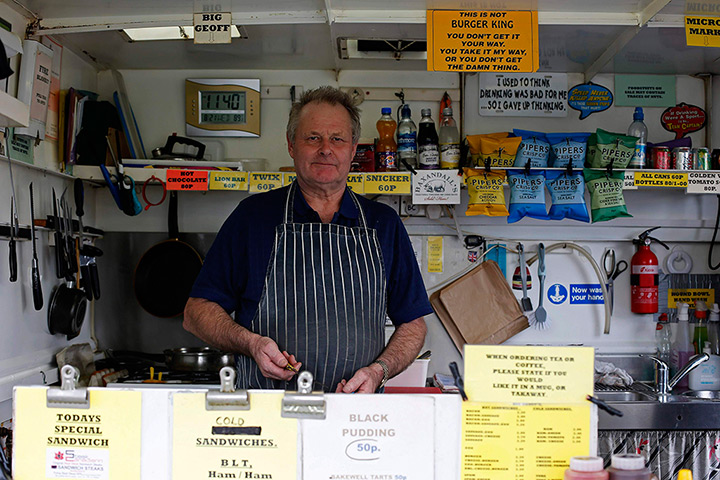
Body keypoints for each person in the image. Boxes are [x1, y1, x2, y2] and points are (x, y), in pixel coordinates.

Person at [183, 86, 432, 393]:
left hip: (354, 417)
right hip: (270, 414)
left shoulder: (384, 224)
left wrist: (379, 371)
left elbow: (413, 324)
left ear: (353, 149)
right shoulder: (253, 217)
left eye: (337, 139)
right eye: (313, 137)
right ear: (291, 145)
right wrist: (251, 344)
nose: (325, 148)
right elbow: (197, 313)